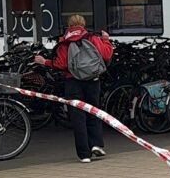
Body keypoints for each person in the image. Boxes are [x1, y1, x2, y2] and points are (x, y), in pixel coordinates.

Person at [34, 15, 113, 163]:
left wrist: (45, 62)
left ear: (69, 26)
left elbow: (61, 64)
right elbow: (106, 55)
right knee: (93, 112)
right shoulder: (92, 37)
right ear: (83, 24)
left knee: (78, 118)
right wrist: (106, 40)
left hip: (73, 82)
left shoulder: (64, 41)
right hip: (92, 81)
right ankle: (96, 145)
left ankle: (84, 154)